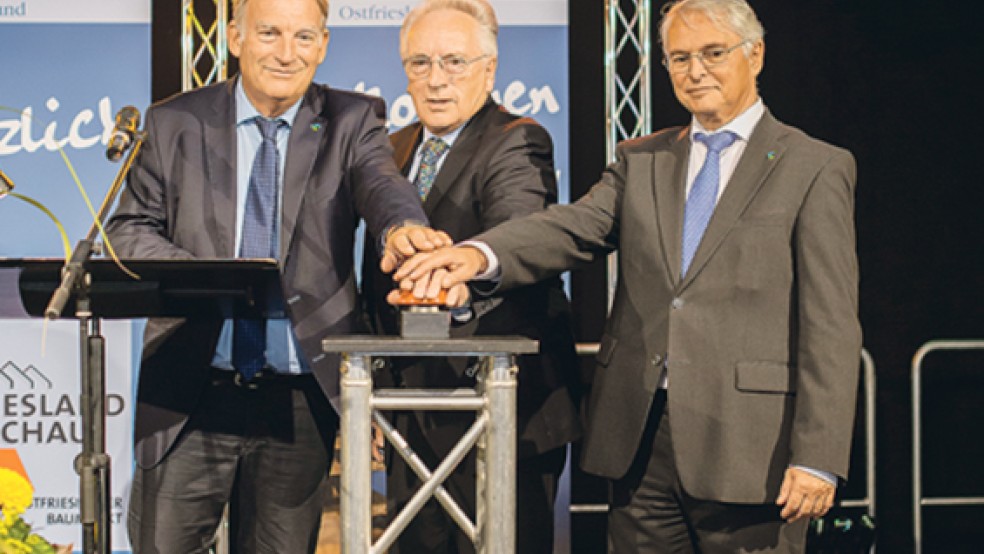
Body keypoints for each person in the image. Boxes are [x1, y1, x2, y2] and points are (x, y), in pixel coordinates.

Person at [391, 0, 862, 551]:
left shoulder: (815, 167)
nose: (696, 70)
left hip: (750, 449)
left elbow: (830, 326)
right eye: (679, 57)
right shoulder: (642, 159)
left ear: (754, 55)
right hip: (639, 444)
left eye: (713, 53)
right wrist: (477, 257)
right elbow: (569, 227)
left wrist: (819, 458)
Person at [104, 0, 449, 551]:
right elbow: (126, 231)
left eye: (304, 37)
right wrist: (215, 280)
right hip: (191, 387)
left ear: (325, 45)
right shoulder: (175, 122)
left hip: (298, 399)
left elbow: (382, 184)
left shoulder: (352, 119)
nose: (287, 54)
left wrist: (403, 226)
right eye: (269, 33)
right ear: (236, 38)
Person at [360, 0, 581, 552]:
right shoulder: (388, 150)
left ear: (490, 68)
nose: (436, 80)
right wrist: (372, 392)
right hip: (409, 415)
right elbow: (372, 284)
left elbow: (517, 239)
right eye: (420, 63)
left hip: (503, 406)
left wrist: (457, 283)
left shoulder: (518, 141)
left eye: (455, 62)